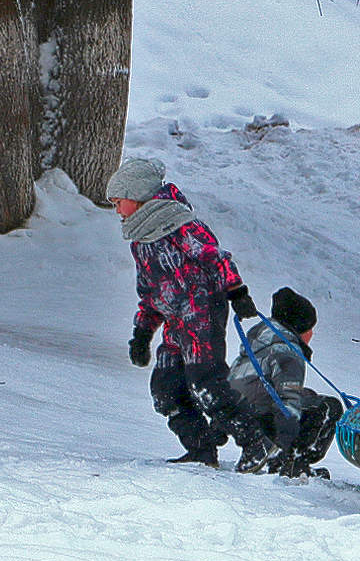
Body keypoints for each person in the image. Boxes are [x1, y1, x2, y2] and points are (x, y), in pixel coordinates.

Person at [108, 157, 280, 472]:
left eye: (119, 202)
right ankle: (201, 449)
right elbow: (149, 293)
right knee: (166, 389)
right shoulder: (140, 242)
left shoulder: (180, 225)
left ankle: (256, 441)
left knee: (207, 384)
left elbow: (215, 257)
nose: (117, 210)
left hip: (202, 314)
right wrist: (142, 333)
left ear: (137, 196)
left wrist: (237, 292)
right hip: (174, 325)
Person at [227, 287, 346, 479]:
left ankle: (272, 454)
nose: (312, 333)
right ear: (299, 326)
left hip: (240, 413)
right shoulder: (286, 349)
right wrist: (286, 435)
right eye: (310, 327)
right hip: (261, 412)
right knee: (328, 407)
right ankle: (292, 463)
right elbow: (288, 397)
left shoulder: (262, 338)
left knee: (309, 396)